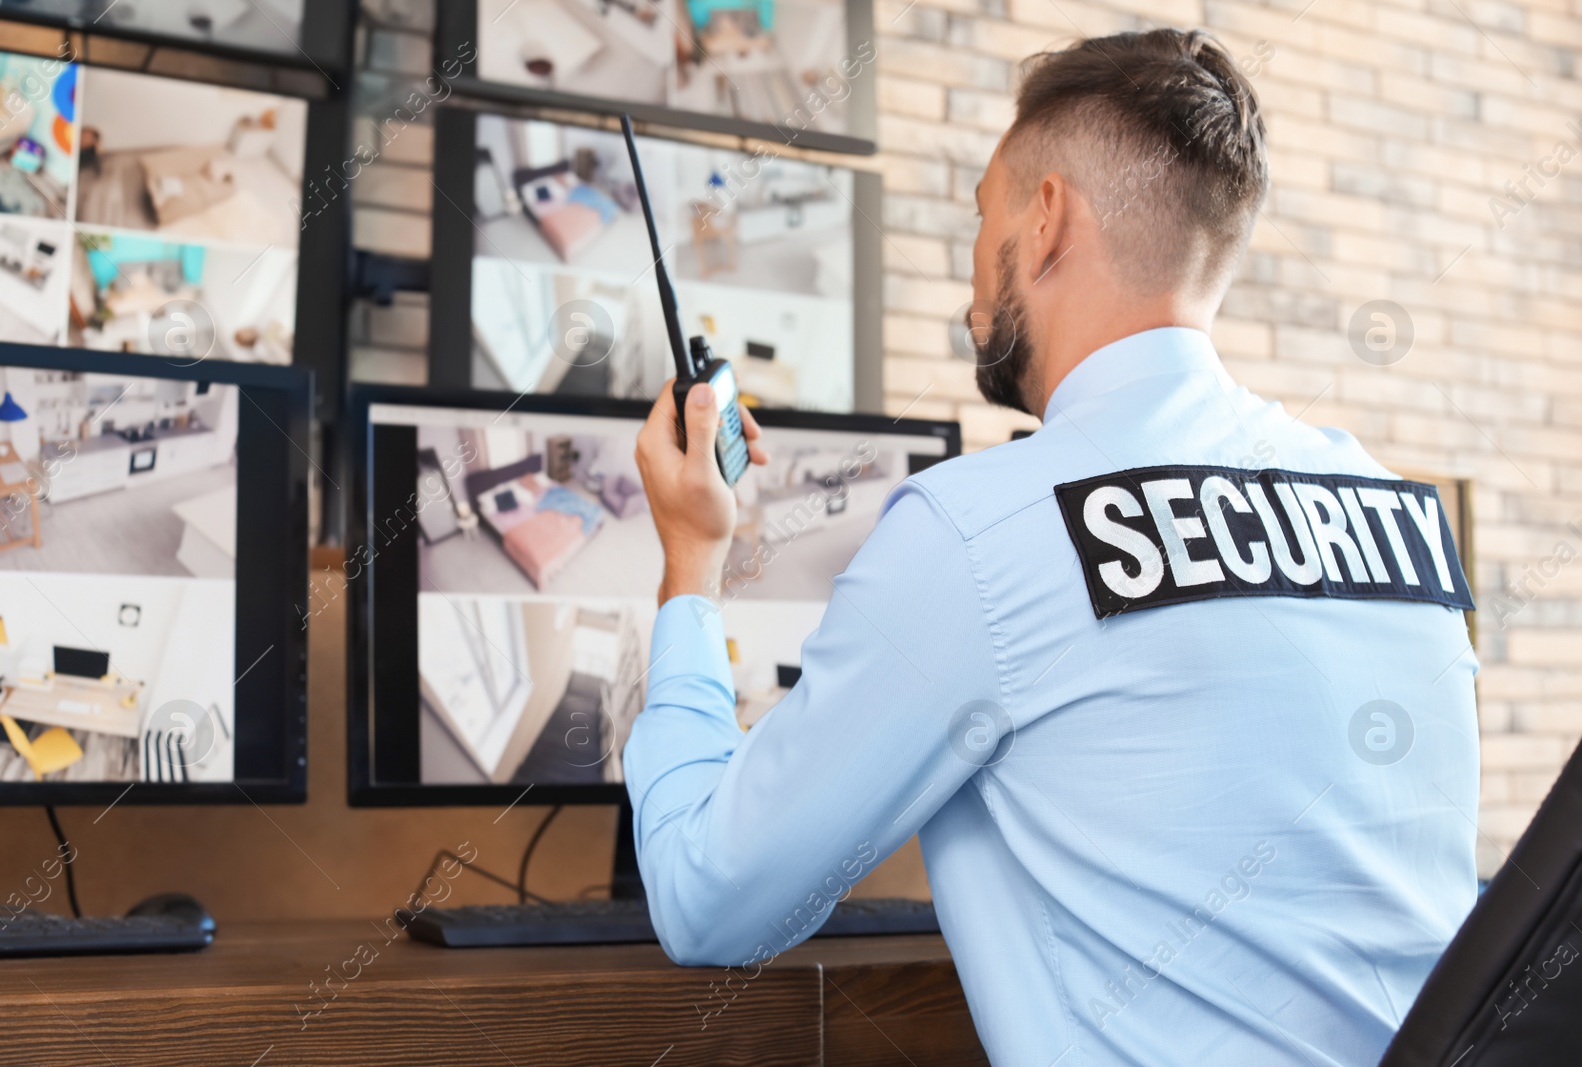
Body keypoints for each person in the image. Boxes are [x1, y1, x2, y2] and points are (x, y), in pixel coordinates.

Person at [628, 28, 1478, 1066]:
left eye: (980, 216)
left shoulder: (978, 529)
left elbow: (708, 899)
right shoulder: (1390, 504)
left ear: (1042, 220)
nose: (969, 288)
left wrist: (689, 558)